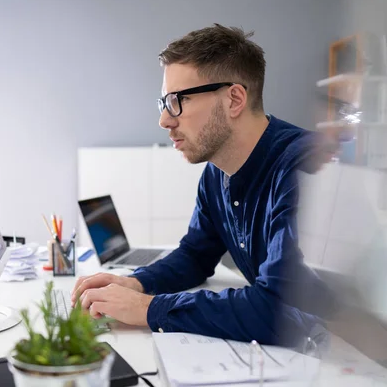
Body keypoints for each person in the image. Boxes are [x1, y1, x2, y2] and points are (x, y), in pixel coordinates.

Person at [71, 24, 337, 346]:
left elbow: (276, 311)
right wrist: (136, 284)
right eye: (164, 103)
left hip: (347, 352)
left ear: (234, 99)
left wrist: (149, 308)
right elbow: (195, 256)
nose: (165, 120)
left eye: (177, 100)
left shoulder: (304, 169)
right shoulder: (216, 173)